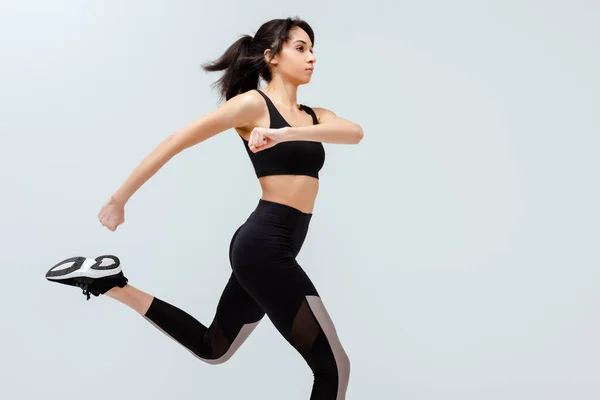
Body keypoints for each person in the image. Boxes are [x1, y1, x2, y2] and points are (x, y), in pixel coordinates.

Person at [45, 17, 362, 400]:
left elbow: (353, 132)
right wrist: (118, 199)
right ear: (271, 57)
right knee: (334, 367)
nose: (311, 57)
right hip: (265, 247)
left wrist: (286, 133)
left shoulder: (314, 116)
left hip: (269, 249)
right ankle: (111, 280)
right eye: (300, 48)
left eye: (312, 49)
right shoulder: (252, 104)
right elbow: (177, 140)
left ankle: (112, 284)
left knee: (214, 347)